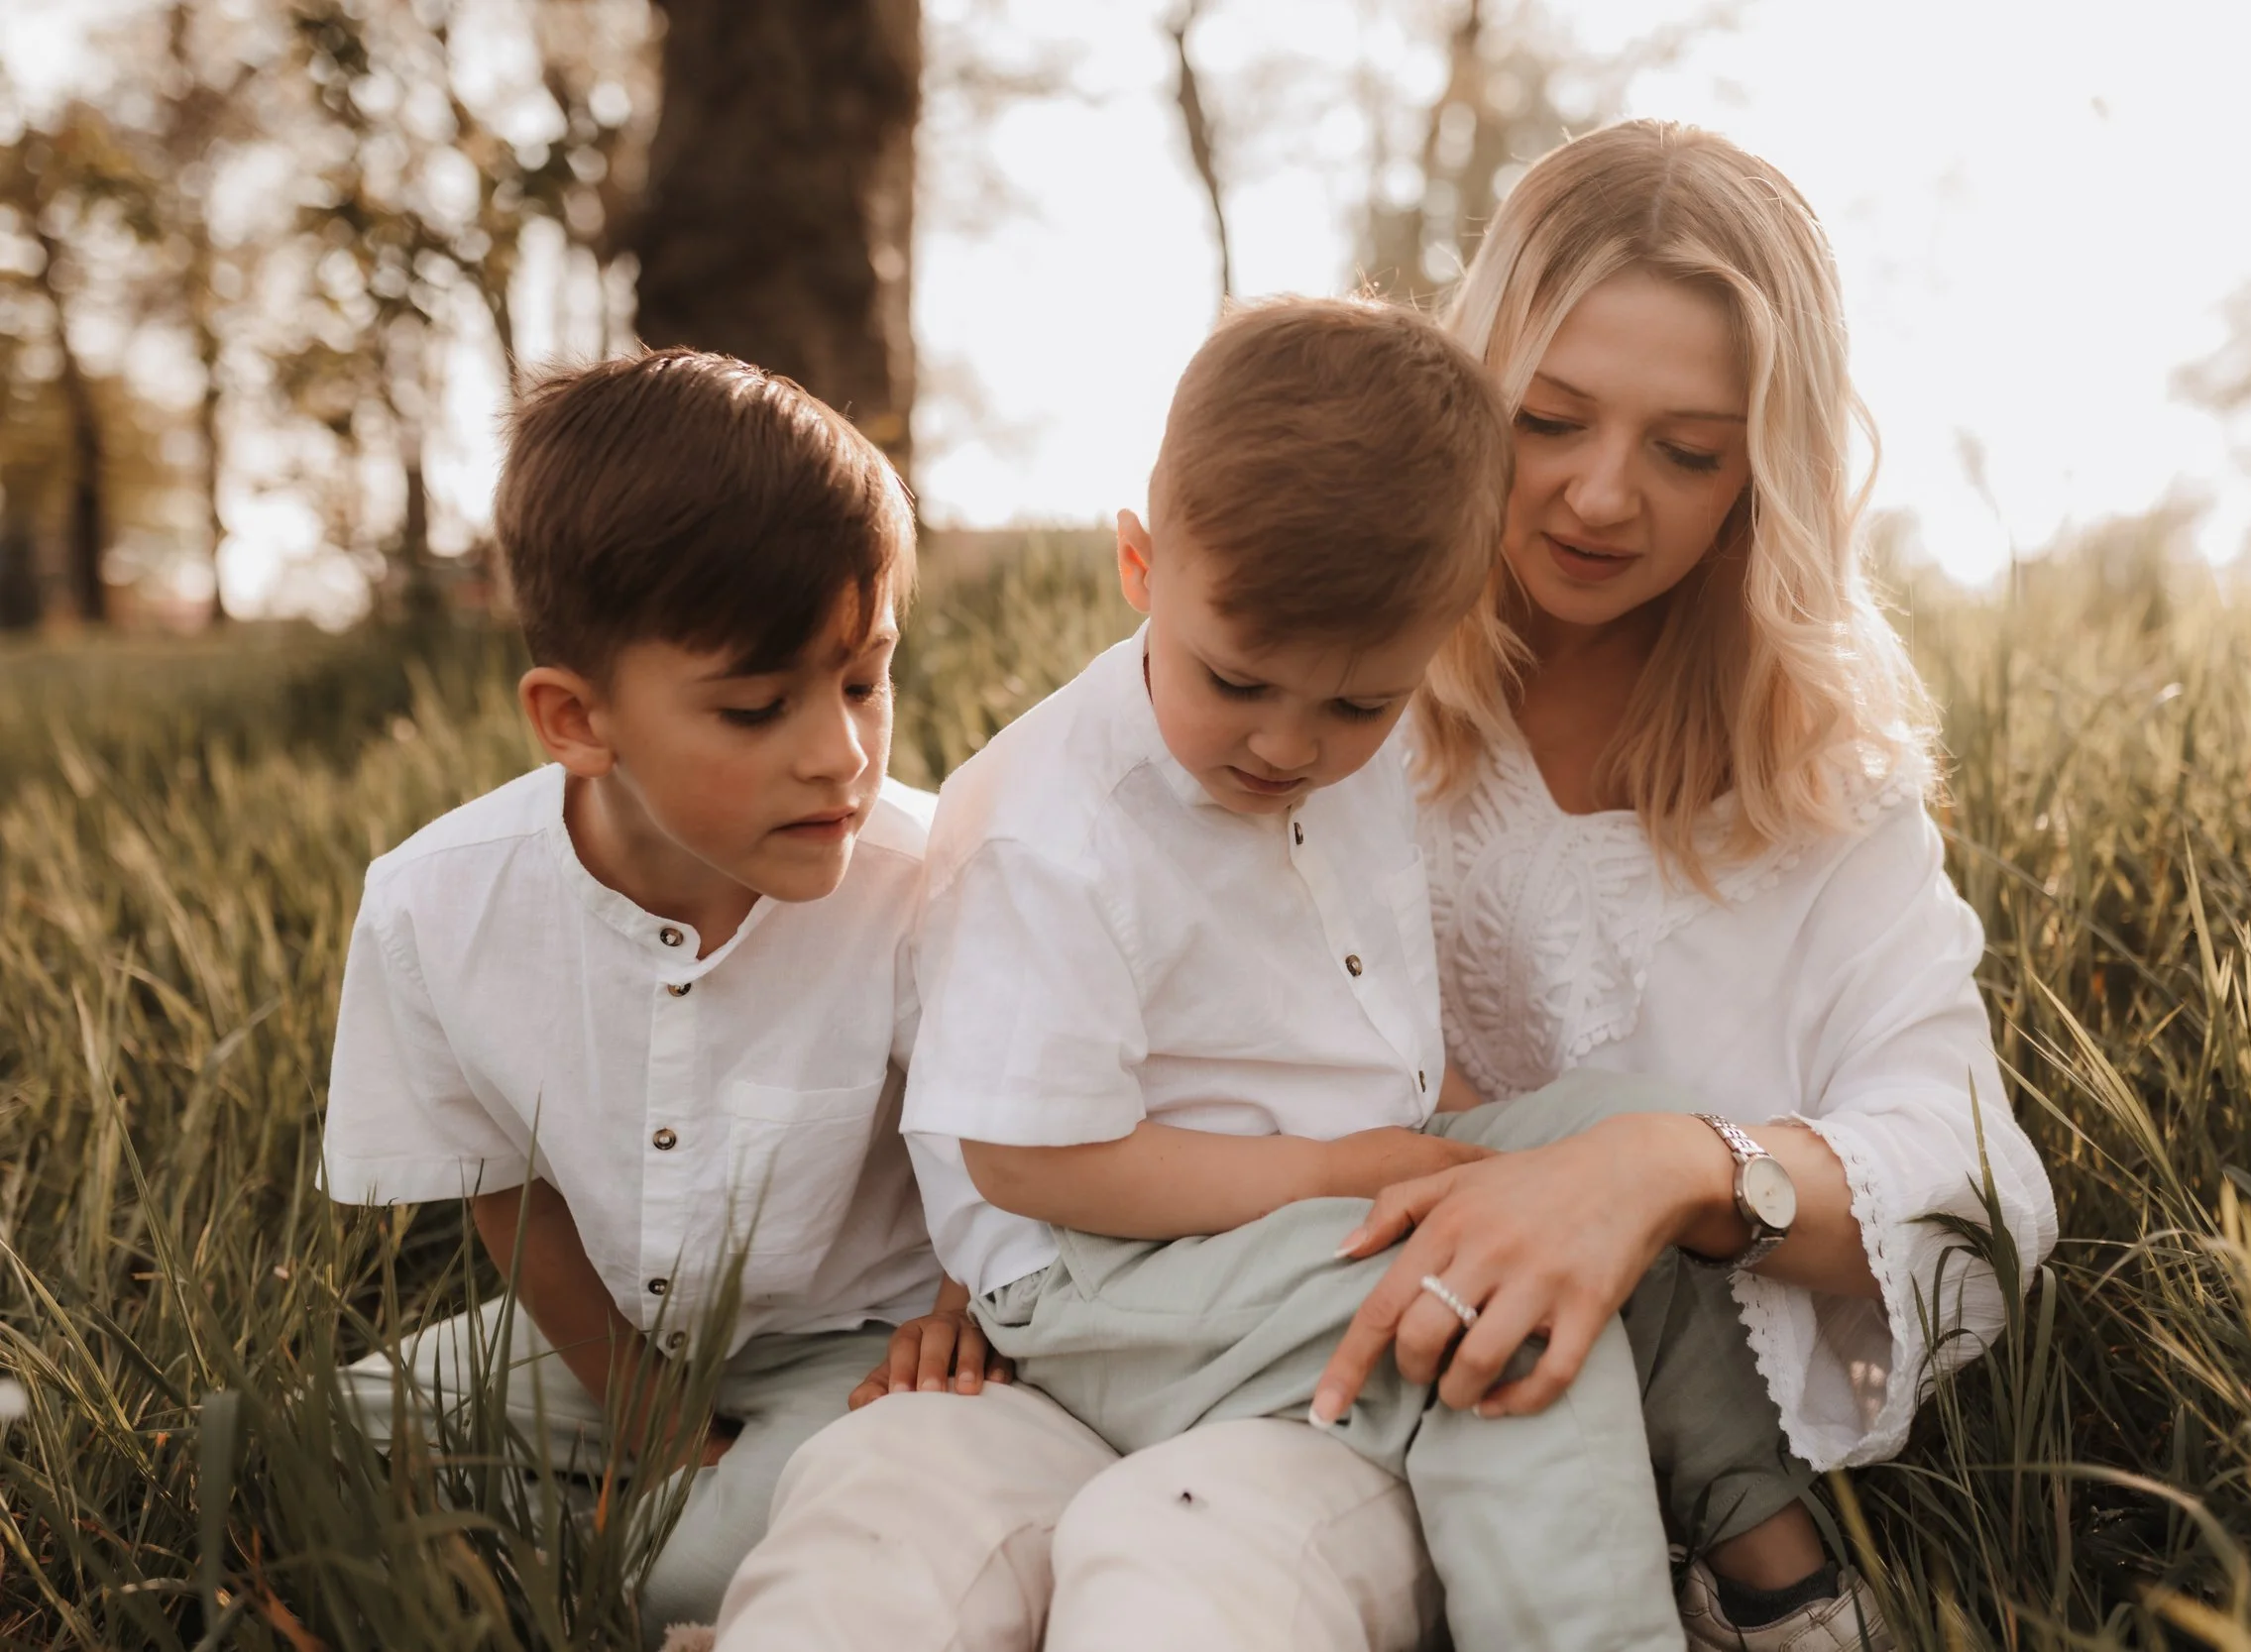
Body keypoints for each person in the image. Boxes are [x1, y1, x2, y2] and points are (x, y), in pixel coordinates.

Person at [723, 119, 2058, 1652]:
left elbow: (1975, 1183)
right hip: (1220, 1291)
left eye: (1687, 450)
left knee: (1240, 1537)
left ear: (1768, 473)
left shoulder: (1816, 792)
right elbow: (1015, 1023)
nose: (1602, 497)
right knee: (887, 1522)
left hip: (1423, 1354)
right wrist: (952, 1251)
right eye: (1549, 421)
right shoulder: (1313, 696)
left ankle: (1756, 1571)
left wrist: (1666, 1169)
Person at [321, 350, 1005, 1643]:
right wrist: (661, 1428)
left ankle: (675, 1557)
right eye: (758, 706)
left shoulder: (931, 882)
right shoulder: (435, 908)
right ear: (577, 719)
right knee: (297, 1443)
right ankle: (613, 1519)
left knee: (712, 1570)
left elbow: (1000, 1147)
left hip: (863, 1342)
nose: (842, 752)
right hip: (610, 1344)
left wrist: (962, 1316)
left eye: (863, 678)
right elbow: (507, 1198)